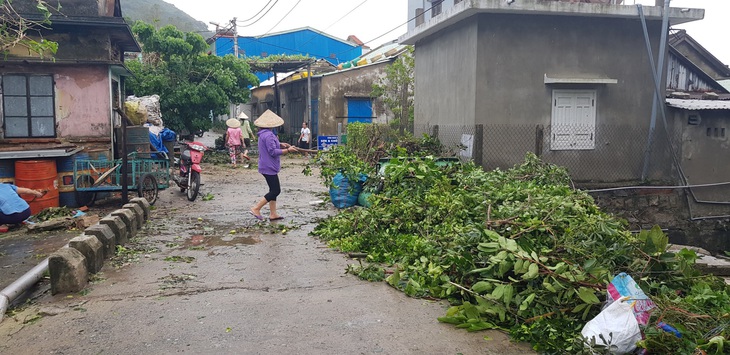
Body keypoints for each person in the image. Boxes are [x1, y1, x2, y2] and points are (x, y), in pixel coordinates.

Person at [250, 110, 298, 221]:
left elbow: (270, 146)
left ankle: (273, 214)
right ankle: (256, 208)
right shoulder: (269, 135)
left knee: (273, 189)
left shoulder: (263, 134)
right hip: (269, 166)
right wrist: (288, 150)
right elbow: (272, 152)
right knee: (276, 190)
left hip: (265, 165)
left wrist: (280, 144)